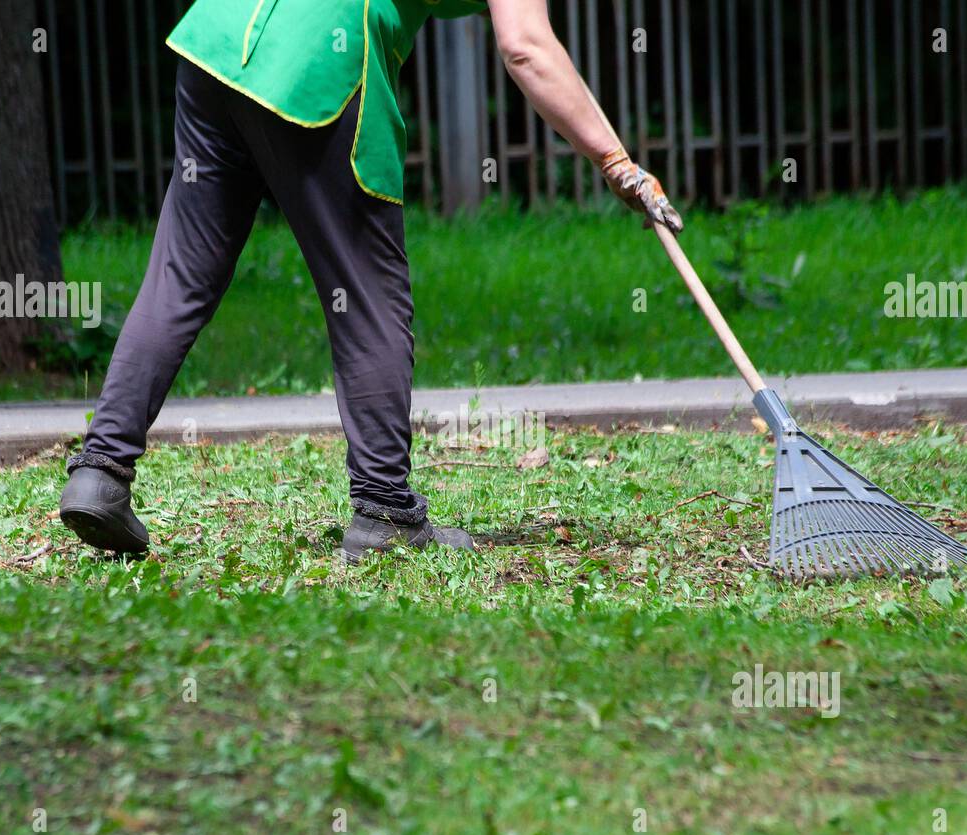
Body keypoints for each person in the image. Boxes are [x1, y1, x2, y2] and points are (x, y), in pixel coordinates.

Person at [59, 0, 683, 562]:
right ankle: (384, 510)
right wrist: (615, 161)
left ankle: (100, 472)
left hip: (218, 40)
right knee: (369, 297)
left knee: (181, 273)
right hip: (318, 59)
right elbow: (526, 44)